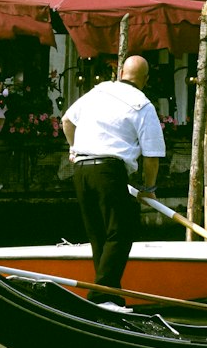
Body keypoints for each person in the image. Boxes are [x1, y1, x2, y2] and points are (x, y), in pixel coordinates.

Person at [61, 54, 165, 303]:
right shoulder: (143, 104)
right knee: (122, 230)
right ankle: (102, 295)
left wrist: (74, 149)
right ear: (146, 80)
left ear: (120, 74)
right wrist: (148, 188)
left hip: (81, 170)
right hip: (109, 171)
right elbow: (151, 156)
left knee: (99, 233)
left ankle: (108, 294)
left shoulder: (98, 92)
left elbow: (66, 121)